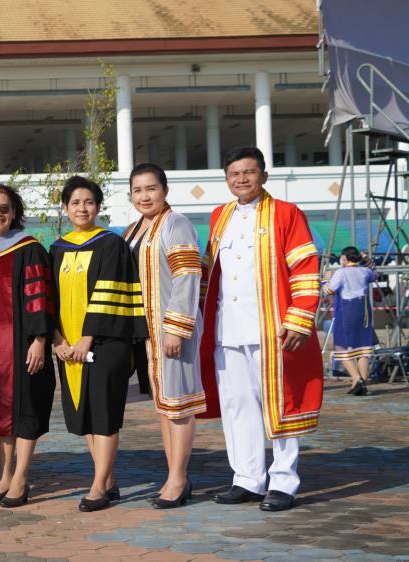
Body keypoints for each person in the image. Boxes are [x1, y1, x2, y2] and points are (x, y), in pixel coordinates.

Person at [199, 146, 324, 512]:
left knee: (281, 405)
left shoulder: (287, 213)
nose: (242, 179)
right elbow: (209, 274)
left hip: (273, 329)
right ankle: (247, 478)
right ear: (227, 179)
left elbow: (305, 267)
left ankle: (284, 482)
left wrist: (299, 317)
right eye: (234, 173)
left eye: (249, 172)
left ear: (264, 176)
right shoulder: (219, 216)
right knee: (237, 405)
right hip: (227, 329)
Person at [50, 175, 148, 513]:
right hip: (68, 347)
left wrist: (86, 338)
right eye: (75, 202)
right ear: (65, 208)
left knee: (104, 414)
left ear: (98, 207)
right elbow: (48, 300)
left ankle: (97, 487)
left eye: (89, 202)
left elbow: (109, 293)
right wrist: (58, 340)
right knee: (86, 416)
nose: (82, 208)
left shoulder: (111, 244)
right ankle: (107, 480)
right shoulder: (57, 248)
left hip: (106, 343)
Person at [0, 183, 54, 509]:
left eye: (4, 208)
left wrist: (40, 340)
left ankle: (21, 477)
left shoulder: (29, 249)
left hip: (22, 344)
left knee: (26, 409)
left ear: (14, 212)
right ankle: (4, 474)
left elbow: (41, 298)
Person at [123, 164, 206, 509]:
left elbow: (188, 275)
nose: (144, 196)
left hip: (171, 327)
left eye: (151, 189)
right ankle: (174, 473)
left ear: (165, 190)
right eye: (138, 190)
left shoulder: (176, 224)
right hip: (146, 331)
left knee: (179, 405)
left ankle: (178, 479)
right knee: (163, 404)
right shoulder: (133, 229)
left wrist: (176, 327)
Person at [325, 246, 378, 396]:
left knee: (340, 347)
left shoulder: (341, 272)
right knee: (363, 347)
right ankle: (361, 385)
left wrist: (325, 279)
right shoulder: (365, 271)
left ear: (345, 258)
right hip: (364, 310)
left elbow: (329, 290)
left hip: (346, 310)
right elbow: (375, 274)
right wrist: (367, 260)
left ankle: (356, 378)